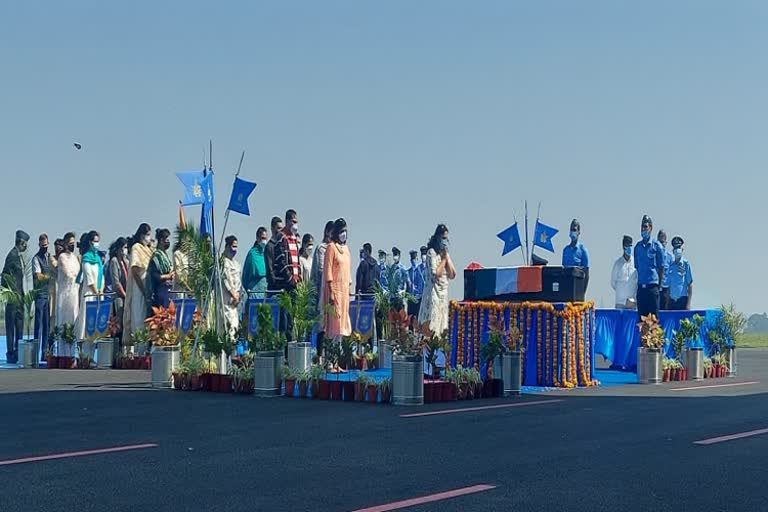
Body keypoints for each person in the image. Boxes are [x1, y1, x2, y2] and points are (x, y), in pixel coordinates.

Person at [322, 218, 352, 360]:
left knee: (342, 328)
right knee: (334, 326)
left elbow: (348, 271)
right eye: (341, 231)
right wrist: (331, 292)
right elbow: (327, 271)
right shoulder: (331, 247)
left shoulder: (346, 250)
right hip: (334, 292)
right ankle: (330, 360)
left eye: (345, 231)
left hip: (344, 293)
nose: (343, 234)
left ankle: (337, 360)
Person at [418, 224, 456, 335]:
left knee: (442, 324)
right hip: (433, 293)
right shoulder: (431, 253)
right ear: (438, 237)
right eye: (443, 238)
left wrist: (446, 258)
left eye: (446, 238)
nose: (445, 241)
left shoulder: (444, 254)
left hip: (443, 293)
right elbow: (436, 274)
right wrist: (443, 260)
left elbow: (453, 274)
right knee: (432, 324)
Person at [75, 231, 104, 355]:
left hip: (98, 295)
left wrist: (101, 290)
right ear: (90, 242)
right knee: (87, 324)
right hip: (89, 295)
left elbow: (101, 276)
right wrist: (95, 290)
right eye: (94, 241)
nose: (96, 244)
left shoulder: (98, 258)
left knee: (96, 327)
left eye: (98, 241)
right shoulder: (86, 258)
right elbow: (88, 276)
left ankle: (92, 356)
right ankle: (84, 356)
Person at [123, 223, 153, 344]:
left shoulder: (148, 249)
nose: (149, 237)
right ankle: (138, 351)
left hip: (148, 287)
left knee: (147, 320)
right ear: (141, 235)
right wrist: (143, 289)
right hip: (139, 287)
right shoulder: (136, 247)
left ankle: (144, 350)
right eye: (147, 235)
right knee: (138, 318)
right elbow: (135, 270)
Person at [2, 230, 29, 364]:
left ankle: (18, 351)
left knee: (19, 325)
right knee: (11, 327)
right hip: (13, 298)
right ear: (21, 242)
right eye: (25, 244)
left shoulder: (18, 256)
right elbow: (4, 276)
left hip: (20, 297)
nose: (26, 247)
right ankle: (11, 353)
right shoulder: (12, 256)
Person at [310, 221, 335, 359]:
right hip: (321, 292)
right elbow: (321, 271)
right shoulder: (322, 248)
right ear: (327, 232)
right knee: (321, 326)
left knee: (331, 325)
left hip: (331, 293)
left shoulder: (336, 248)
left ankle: (330, 357)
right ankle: (319, 356)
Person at [634, 215, 665, 319]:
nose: (643, 229)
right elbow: (637, 267)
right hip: (641, 289)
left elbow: (661, 268)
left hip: (652, 288)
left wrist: (658, 287)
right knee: (642, 323)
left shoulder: (657, 246)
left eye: (646, 226)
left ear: (651, 228)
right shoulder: (637, 247)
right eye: (642, 227)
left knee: (653, 321)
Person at [56, 232, 81, 356]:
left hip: (74, 293)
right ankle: (63, 354)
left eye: (73, 243)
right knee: (64, 322)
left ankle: (72, 353)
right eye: (70, 243)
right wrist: (75, 276)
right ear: (65, 243)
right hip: (65, 294)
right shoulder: (62, 257)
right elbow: (68, 273)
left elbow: (78, 274)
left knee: (73, 320)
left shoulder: (75, 258)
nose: (72, 246)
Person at [32, 234, 52, 360]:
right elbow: (38, 276)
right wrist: (49, 277)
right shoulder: (36, 258)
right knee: (38, 325)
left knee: (46, 325)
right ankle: (34, 353)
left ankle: (44, 353)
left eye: (46, 245)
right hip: (40, 295)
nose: (45, 247)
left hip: (47, 295)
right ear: (39, 245)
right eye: (42, 245)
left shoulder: (48, 257)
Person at [146, 229, 175, 310]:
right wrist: (168, 276)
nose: (168, 241)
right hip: (160, 292)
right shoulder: (156, 256)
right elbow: (155, 276)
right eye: (167, 239)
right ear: (162, 240)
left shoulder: (165, 255)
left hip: (168, 291)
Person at [108, 238, 129, 341]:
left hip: (127, 295)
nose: (125, 250)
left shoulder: (126, 261)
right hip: (119, 296)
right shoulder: (114, 261)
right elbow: (116, 282)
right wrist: (125, 295)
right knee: (119, 320)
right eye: (123, 248)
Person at [222, 235, 242, 339]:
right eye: (233, 246)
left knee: (235, 327)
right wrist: (233, 294)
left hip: (235, 302)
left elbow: (239, 282)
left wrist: (238, 296)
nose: (235, 249)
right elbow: (226, 280)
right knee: (229, 328)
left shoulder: (236, 264)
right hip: (226, 300)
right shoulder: (223, 262)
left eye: (236, 247)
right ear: (227, 246)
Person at [610, 235, 638, 309]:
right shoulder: (618, 263)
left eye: (630, 246)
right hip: (620, 302)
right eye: (627, 246)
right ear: (623, 247)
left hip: (632, 302)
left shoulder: (636, 262)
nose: (629, 248)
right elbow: (613, 283)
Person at [562, 219, 590, 290]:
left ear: (578, 232)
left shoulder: (583, 250)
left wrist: (583, 292)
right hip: (566, 286)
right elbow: (563, 270)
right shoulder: (566, 250)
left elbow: (586, 274)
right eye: (571, 230)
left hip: (577, 287)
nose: (572, 232)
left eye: (574, 230)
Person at [242, 227, 269, 299]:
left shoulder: (267, 253)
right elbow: (245, 275)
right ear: (257, 238)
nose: (264, 241)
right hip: (255, 289)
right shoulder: (252, 253)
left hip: (265, 289)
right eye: (262, 238)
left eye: (265, 238)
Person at [667, 237, 693, 310]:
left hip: (682, 300)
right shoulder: (671, 266)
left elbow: (690, 285)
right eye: (675, 248)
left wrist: (688, 304)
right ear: (673, 250)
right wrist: (667, 302)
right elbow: (669, 285)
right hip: (672, 301)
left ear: (682, 249)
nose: (677, 250)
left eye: (679, 247)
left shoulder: (686, 264)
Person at [282, 209, 301, 285]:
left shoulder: (294, 238)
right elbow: (282, 262)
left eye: (296, 222)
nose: (295, 225)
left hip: (296, 283)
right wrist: (290, 279)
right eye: (293, 222)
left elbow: (297, 261)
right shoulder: (282, 237)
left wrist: (299, 277)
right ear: (287, 221)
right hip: (286, 283)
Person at [264, 216, 283, 294]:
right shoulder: (269, 246)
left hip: (282, 286)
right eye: (278, 228)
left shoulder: (282, 245)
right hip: (274, 288)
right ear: (272, 228)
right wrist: (275, 283)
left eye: (281, 228)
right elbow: (269, 268)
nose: (280, 231)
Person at [407, 248, 426, 319]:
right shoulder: (408, 271)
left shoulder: (420, 270)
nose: (413, 260)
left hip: (420, 298)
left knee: (419, 318)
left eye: (414, 258)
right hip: (411, 298)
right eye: (412, 258)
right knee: (410, 319)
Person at [657, 230, 673, 310]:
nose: (662, 244)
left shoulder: (670, 257)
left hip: (665, 290)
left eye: (663, 242)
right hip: (656, 288)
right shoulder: (653, 256)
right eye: (660, 242)